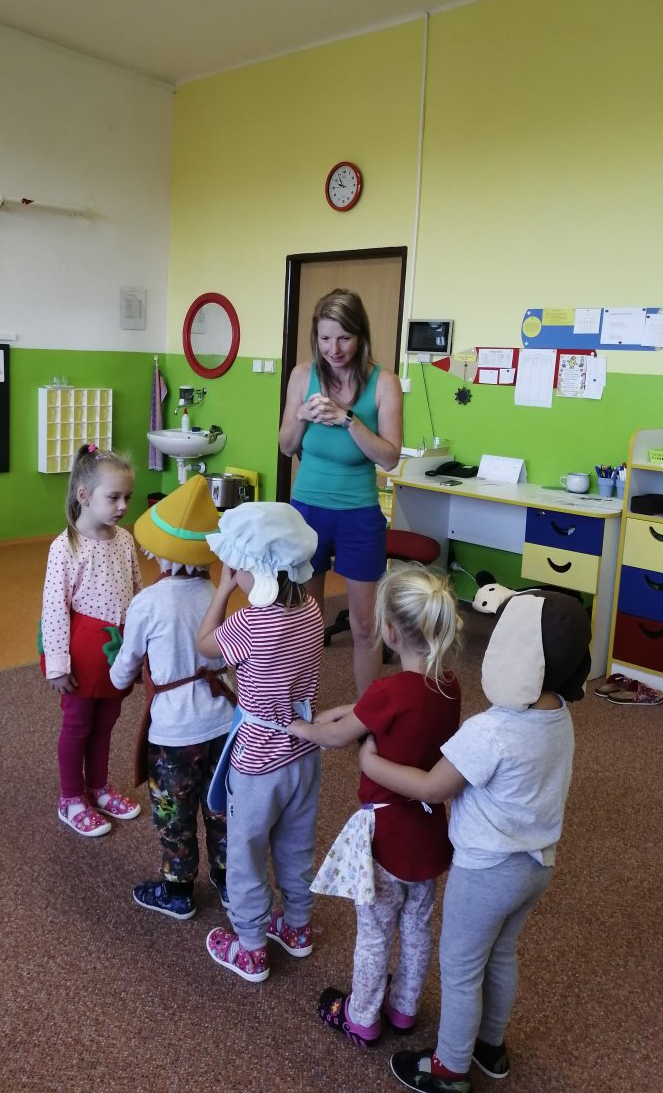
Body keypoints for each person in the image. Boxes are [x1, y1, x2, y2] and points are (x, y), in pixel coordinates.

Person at [359, 590, 591, 1093]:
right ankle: (490, 1046)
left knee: (462, 968)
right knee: (501, 954)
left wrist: (371, 763)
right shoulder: (559, 715)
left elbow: (431, 787)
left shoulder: (491, 731)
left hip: (486, 870)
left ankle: (448, 1069)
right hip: (536, 865)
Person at [289, 565, 462, 1046]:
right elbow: (389, 710)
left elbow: (337, 737)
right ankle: (404, 1008)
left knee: (375, 931)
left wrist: (301, 727)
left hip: (386, 840)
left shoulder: (388, 692)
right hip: (429, 838)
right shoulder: (450, 686)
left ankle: (362, 1015)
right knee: (417, 926)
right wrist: (348, 710)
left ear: (389, 631)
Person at [196, 501, 324, 983]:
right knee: (296, 844)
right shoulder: (312, 610)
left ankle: (250, 946)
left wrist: (223, 590)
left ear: (258, 571)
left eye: (237, 566)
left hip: (257, 761)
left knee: (246, 853)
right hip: (303, 752)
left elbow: (204, 644)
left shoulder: (250, 623)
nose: (233, 572)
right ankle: (297, 926)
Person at [109, 475, 235, 920]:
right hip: (223, 723)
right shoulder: (215, 596)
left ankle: (178, 891)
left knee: (174, 815)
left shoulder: (147, 603)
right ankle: (229, 882)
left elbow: (123, 672)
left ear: (160, 553)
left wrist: (117, 670)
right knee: (221, 809)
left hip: (174, 735)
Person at [278, 288, 403, 696]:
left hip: (359, 513)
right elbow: (286, 445)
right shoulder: (302, 376)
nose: (333, 349)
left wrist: (349, 419)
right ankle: (300, 707)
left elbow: (389, 457)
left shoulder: (384, 383)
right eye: (325, 338)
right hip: (306, 511)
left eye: (344, 338)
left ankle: (369, 716)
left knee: (365, 626)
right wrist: (301, 415)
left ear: (361, 336)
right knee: (303, 621)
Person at [40, 443, 143, 838]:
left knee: (106, 722)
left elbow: (137, 594)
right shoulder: (65, 547)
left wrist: (140, 650)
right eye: (113, 497)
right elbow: (54, 609)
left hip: (117, 651)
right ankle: (71, 798)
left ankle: (98, 787)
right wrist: (57, 665)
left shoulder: (125, 540)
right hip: (81, 652)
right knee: (78, 724)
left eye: (127, 497)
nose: (123, 506)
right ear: (84, 496)